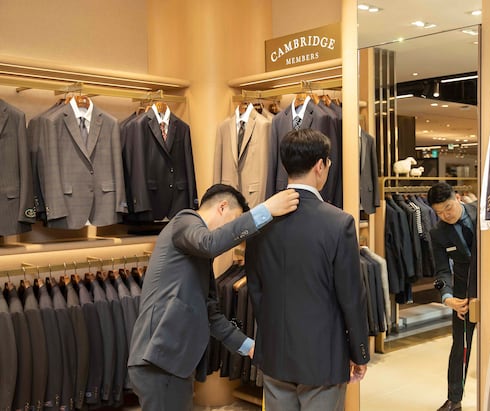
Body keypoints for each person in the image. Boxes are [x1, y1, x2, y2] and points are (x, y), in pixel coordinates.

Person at [127, 184, 299, 411]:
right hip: (160, 359)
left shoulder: (198, 254)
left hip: (169, 362)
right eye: (234, 220)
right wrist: (265, 210)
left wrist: (250, 347)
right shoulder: (184, 221)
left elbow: (211, 315)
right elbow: (210, 243)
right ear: (222, 207)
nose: (232, 234)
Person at [245, 129, 370, 411]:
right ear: (320, 166)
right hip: (322, 357)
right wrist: (359, 351)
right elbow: (351, 297)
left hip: (275, 352)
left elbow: (256, 289)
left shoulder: (260, 219)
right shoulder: (339, 223)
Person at [427, 182, 478, 411]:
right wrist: (446, 297)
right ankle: (454, 400)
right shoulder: (437, 233)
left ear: (457, 198)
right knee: (460, 345)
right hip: (462, 294)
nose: (446, 215)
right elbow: (441, 273)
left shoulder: (482, 215)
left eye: (448, 208)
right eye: (439, 212)